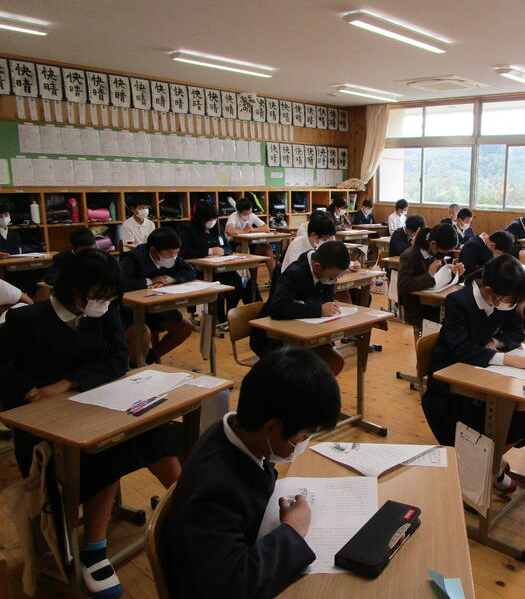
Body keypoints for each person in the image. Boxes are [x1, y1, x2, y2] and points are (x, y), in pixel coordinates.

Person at [0, 249, 180, 599]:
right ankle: (94, 550)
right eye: (97, 295)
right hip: (45, 425)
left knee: (151, 431)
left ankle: (189, 507)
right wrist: (28, 389)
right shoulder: (26, 320)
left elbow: (117, 359)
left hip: (96, 404)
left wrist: (68, 383)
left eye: (109, 297)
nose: (104, 304)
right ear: (72, 288)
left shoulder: (103, 311)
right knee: (104, 449)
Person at [161, 347, 341, 599]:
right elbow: (233, 587)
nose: (303, 444)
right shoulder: (215, 489)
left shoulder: (235, 432)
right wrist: (293, 529)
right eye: (303, 437)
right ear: (271, 428)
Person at [423, 255, 525, 492]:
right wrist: (506, 359)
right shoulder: (458, 302)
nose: (511, 305)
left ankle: (491, 461)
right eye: (510, 300)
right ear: (489, 291)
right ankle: (487, 468)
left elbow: (517, 332)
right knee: (489, 420)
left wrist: (495, 342)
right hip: (449, 388)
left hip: (484, 376)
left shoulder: (502, 300)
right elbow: (460, 350)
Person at [249, 241, 351, 375]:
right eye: (333, 276)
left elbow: (327, 300)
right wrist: (318, 310)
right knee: (306, 370)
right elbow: (278, 309)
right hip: (274, 338)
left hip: (308, 333)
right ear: (316, 266)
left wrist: (313, 306)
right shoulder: (294, 273)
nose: (334, 280)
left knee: (333, 361)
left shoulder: (326, 270)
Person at [119, 227, 195, 364]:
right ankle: (136, 365)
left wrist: (167, 279)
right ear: (153, 250)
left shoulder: (172, 257)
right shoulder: (133, 258)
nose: (173, 257)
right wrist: (150, 281)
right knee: (143, 333)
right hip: (130, 312)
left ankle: (150, 358)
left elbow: (190, 272)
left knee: (185, 327)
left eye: (176, 253)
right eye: (169, 254)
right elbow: (122, 283)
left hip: (158, 308)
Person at [179, 202, 244, 322]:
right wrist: (209, 251)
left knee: (237, 283)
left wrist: (223, 251)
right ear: (200, 218)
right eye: (210, 219)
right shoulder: (188, 230)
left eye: (215, 218)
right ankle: (219, 317)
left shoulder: (217, 227)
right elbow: (185, 253)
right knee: (218, 288)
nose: (213, 221)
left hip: (221, 267)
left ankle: (230, 313)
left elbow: (228, 248)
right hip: (200, 270)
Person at [398, 223, 464, 328]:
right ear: (433, 244)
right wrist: (429, 275)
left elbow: (439, 279)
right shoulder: (409, 255)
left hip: (436, 303)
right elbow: (403, 285)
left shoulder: (436, 252)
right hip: (417, 309)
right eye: (444, 251)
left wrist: (454, 273)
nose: (444, 254)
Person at [225, 197, 275, 275]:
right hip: (236, 244)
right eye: (245, 213)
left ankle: (273, 277)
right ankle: (247, 278)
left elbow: (266, 228)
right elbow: (229, 230)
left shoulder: (252, 215)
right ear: (239, 212)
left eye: (250, 212)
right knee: (244, 250)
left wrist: (252, 230)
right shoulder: (234, 216)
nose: (248, 215)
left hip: (250, 243)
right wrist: (244, 231)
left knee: (267, 248)